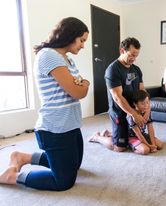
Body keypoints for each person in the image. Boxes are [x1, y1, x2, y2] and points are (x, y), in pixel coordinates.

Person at [0, 17, 90, 191]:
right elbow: (78, 92)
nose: (83, 45)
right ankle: (12, 176)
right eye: (82, 40)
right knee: (63, 181)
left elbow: (80, 90)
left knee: (75, 166)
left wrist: (82, 84)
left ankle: (22, 157)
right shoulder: (49, 55)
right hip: (54, 128)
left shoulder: (68, 60)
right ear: (70, 35)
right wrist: (85, 82)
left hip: (70, 124)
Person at [89, 37, 148, 152]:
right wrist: (134, 114)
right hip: (119, 111)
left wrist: (147, 109)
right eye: (131, 55)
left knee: (134, 138)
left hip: (134, 110)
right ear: (122, 51)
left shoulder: (136, 69)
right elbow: (117, 97)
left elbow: (143, 92)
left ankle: (111, 133)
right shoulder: (113, 70)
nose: (134, 59)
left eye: (136, 55)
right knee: (119, 148)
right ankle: (97, 137)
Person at [127, 90, 163, 155]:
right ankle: (130, 146)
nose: (146, 106)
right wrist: (149, 146)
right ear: (135, 104)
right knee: (145, 150)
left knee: (160, 145)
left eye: (147, 102)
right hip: (131, 137)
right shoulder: (131, 116)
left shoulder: (146, 112)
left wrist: (153, 144)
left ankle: (146, 145)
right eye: (143, 103)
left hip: (142, 134)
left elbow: (150, 129)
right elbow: (138, 134)